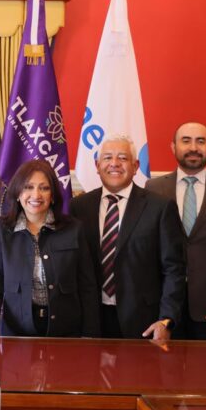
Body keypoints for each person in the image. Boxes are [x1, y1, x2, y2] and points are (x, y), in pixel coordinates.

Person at [70, 134, 186, 340]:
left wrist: (166, 319)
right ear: (97, 166)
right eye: (107, 158)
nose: (114, 163)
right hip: (89, 319)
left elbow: (174, 269)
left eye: (123, 158)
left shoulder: (160, 207)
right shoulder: (79, 207)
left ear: (135, 166)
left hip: (143, 321)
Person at [0, 159, 99, 340]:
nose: (36, 195)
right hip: (17, 335)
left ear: (52, 195)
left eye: (44, 188)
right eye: (28, 187)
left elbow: (87, 287)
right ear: (18, 193)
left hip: (67, 334)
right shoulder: (4, 231)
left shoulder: (74, 229)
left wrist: (90, 335)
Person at [146, 122, 206, 339]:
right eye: (186, 141)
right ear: (173, 147)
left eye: (201, 141)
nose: (193, 147)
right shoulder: (153, 188)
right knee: (161, 362)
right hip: (161, 305)